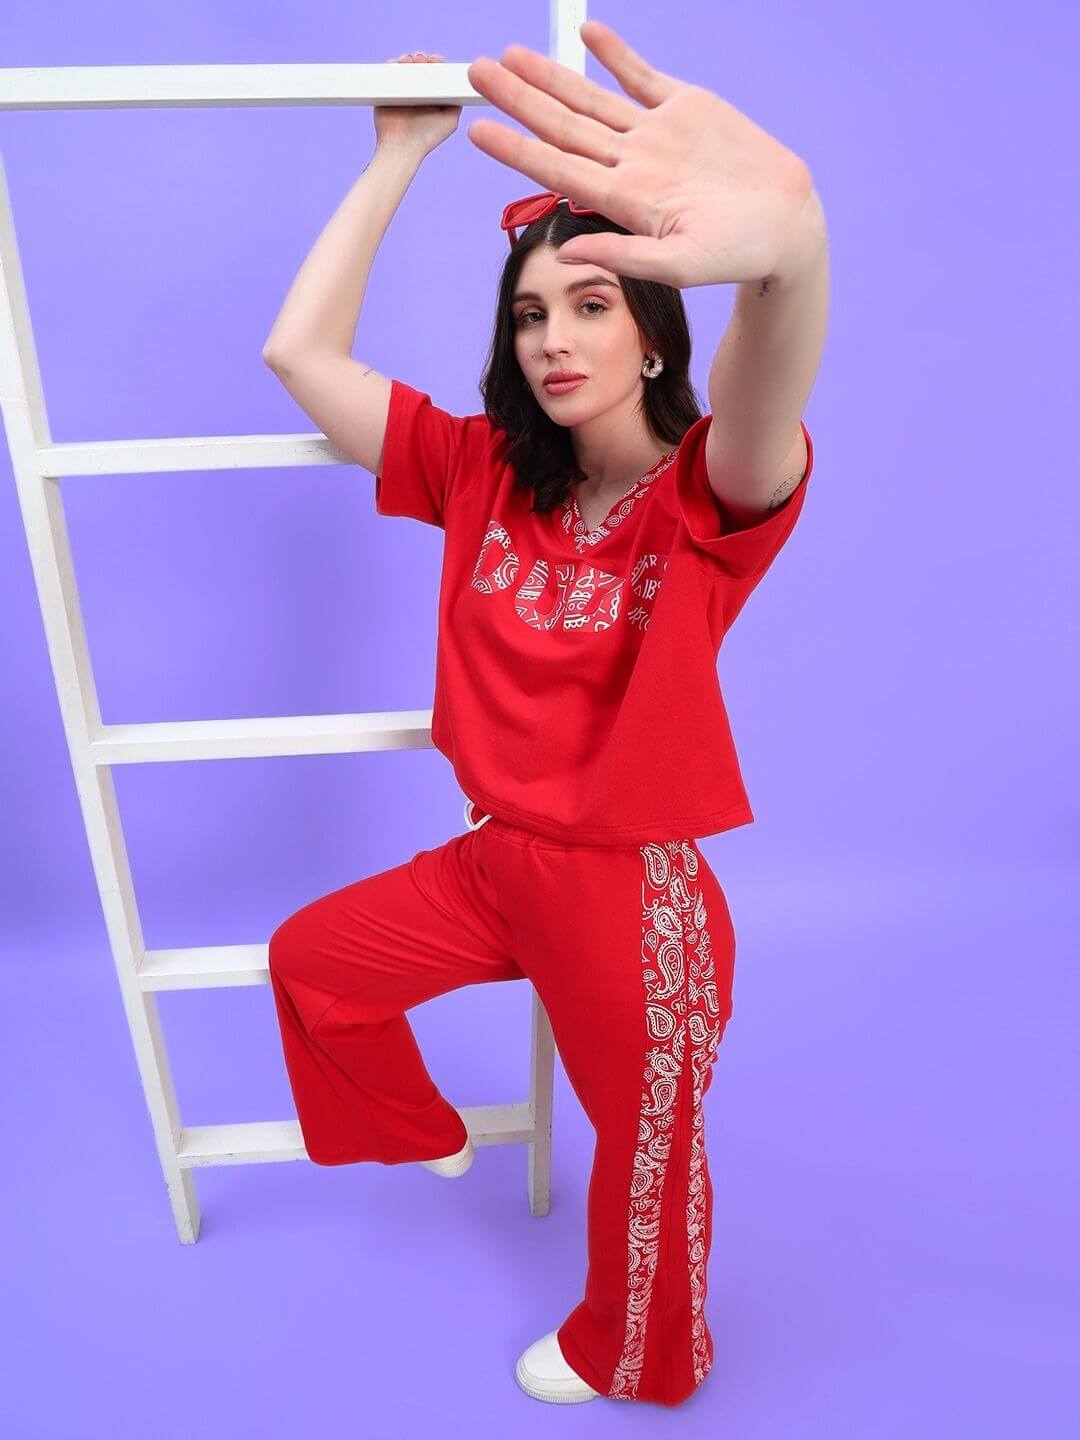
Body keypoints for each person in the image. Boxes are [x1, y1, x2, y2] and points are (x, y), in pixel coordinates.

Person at [260, 21, 828, 1410]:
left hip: (633, 900)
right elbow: (298, 351)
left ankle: (637, 1355)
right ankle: (416, 1126)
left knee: (647, 1159)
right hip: (496, 864)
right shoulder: (484, 475)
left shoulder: (707, 494)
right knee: (313, 965)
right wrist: (398, 158)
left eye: (592, 304)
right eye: (531, 314)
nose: (556, 337)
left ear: (654, 337)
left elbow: (767, 391)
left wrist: (789, 255)